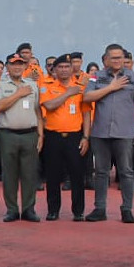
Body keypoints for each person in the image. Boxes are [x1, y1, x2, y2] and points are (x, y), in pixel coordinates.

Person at [84, 44, 134, 224]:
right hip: (100, 132)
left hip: (125, 132)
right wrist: (111, 88)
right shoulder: (97, 77)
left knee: (126, 172)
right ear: (106, 59)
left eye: (120, 57)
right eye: (113, 58)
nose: (117, 61)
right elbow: (87, 97)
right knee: (102, 172)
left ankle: (127, 209)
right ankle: (100, 208)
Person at [39, 54, 90, 221]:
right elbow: (49, 105)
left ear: (72, 68)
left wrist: (86, 137)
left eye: (67, 67)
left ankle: (78, 211)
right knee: (53, 175)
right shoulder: (47, 87)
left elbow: (86, 114)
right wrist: (68, 93)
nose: (63, 70)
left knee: (77, 174)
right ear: (54, 70)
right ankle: (53, 210)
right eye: (59, 67)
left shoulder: (80, 87)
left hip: (74, 136)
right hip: (53, 136)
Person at [0, 51, 42, 222]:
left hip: (29, 134)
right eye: (13, 64)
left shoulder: (32, 85)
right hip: (8, 135)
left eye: (20, 64)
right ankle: (12, 209)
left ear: (25, 66)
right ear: (7, 66)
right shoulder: (0, 84)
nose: (17, 67)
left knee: (30, 174)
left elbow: (37, 110)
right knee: (10, 174)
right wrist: (18, 94)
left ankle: (29, 209)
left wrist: (41, 134)